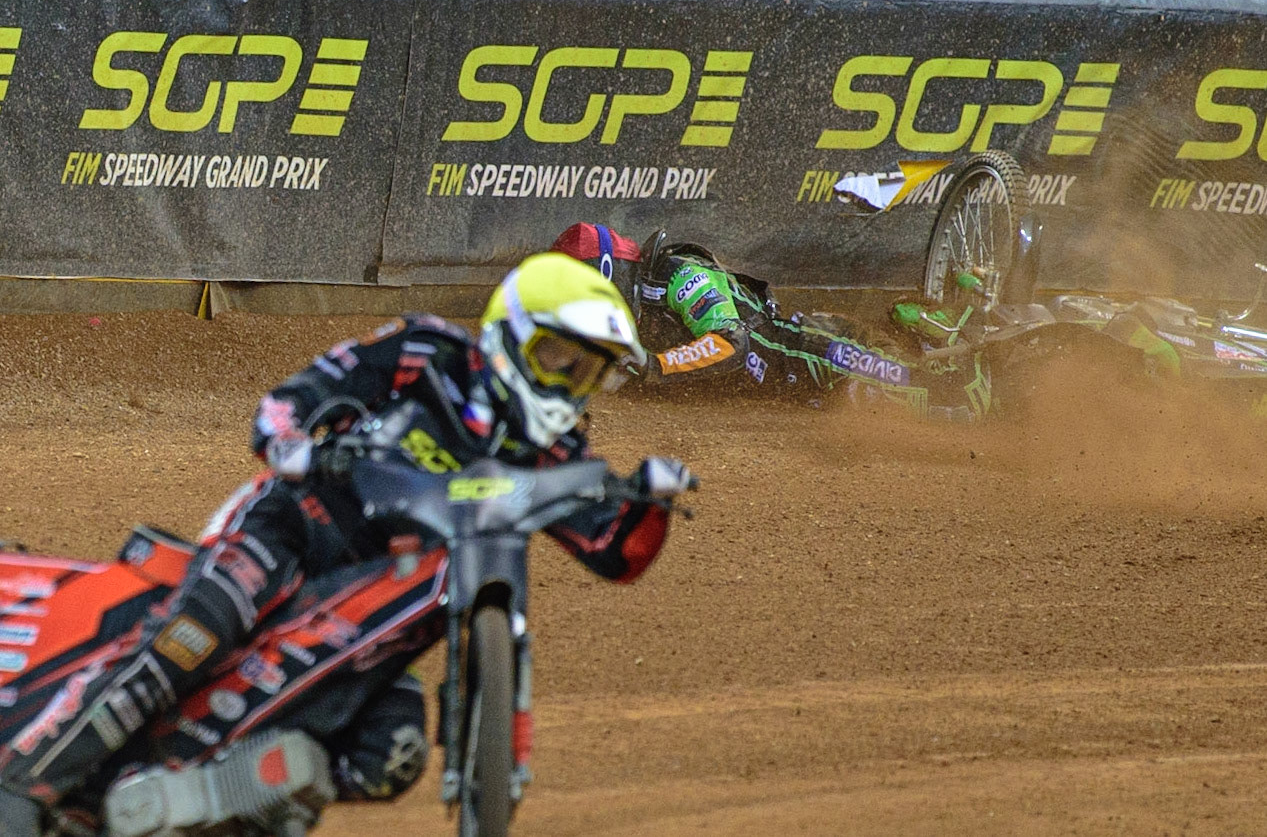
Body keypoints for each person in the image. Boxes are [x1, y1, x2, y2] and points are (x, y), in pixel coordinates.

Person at [0, 253, 693, 834]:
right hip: (293, 527)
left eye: (585, 372)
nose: (566, 383)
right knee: (197, 630)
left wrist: (651, 501)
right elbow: (297, 396)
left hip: (379, 603)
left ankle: (206, 803)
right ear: (511, 332)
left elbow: (612, 550)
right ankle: (25, 785)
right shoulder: (427, 353)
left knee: (389, 754)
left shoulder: (549, 450)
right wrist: (291, 442)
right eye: (558, 359)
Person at [550, 222, 992, 420]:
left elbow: (730, 343)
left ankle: (974, 326)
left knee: (950, 404)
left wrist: (656, 366)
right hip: (801, 389)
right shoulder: (630, 325)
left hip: (819, 355)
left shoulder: (683, 275)